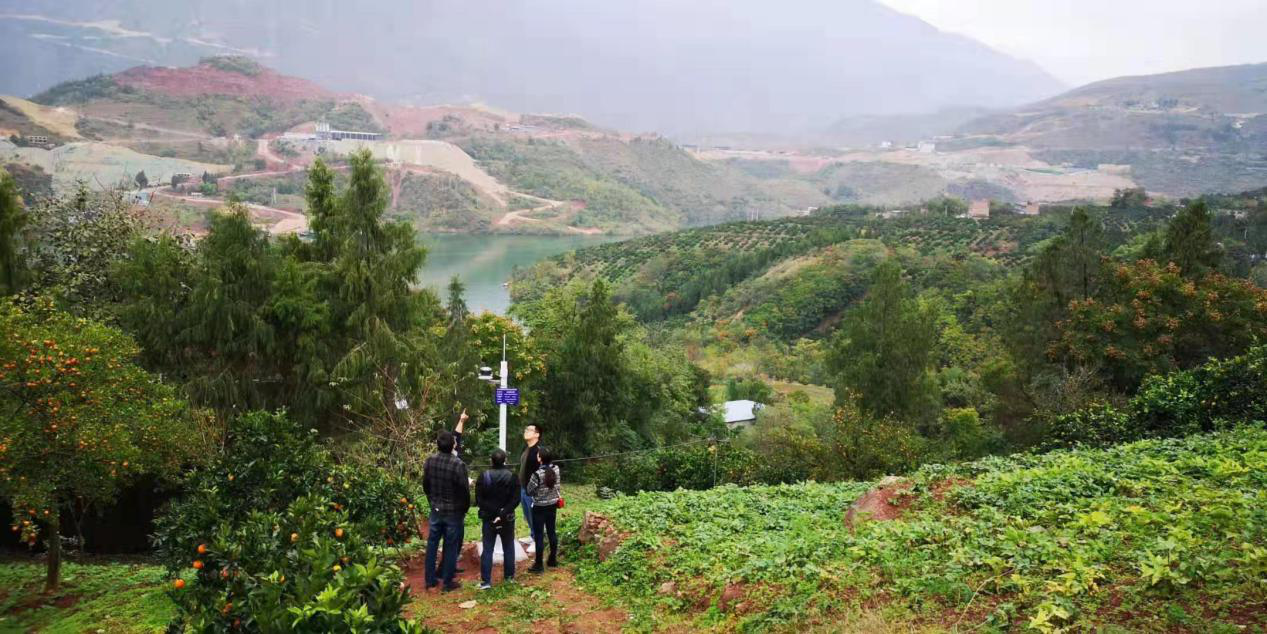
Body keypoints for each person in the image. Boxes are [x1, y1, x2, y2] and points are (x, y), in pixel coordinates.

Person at [422, 430, 470, 592]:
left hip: (436, 509)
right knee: (451, 545)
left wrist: (432, 501)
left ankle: (430, 580)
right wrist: (463, 509)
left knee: (432, 544)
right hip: (453, 511)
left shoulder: (430, 461)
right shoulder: (458, 464)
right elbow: (464, 490)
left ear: (437, 444)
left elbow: (426, 485)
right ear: (453, 445)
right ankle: (447, 582)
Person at [475, 448, 519, 589]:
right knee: (508, 547)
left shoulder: (484, 476)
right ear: (505, 460)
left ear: (491, 460)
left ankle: (486, 582)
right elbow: (515, 499)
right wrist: (502, 513)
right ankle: (509, 578)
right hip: (507, 518)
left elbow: (479, 499)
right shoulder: (512, 476)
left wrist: (495, 513)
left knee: (488, 549)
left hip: (489, 518)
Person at [525, 447, 561, 572]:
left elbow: (529, 491)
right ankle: (552, 560)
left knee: (539, 535)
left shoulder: (537, 474)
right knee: (552, 532)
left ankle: (539, 564)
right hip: (552, 505)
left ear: (540, 458)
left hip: (539, 507)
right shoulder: (556, 469)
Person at [517, 423, 542, 547]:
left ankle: (538, 541)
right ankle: (533, 536)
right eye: (525, 429)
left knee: (534, 516)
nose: (526, 431)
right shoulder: (526, 449)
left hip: (533, 490)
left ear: (537, 434)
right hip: (523, 488)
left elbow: (542, 472)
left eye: (529, 430)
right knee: (527, 514)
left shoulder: (539, 451)